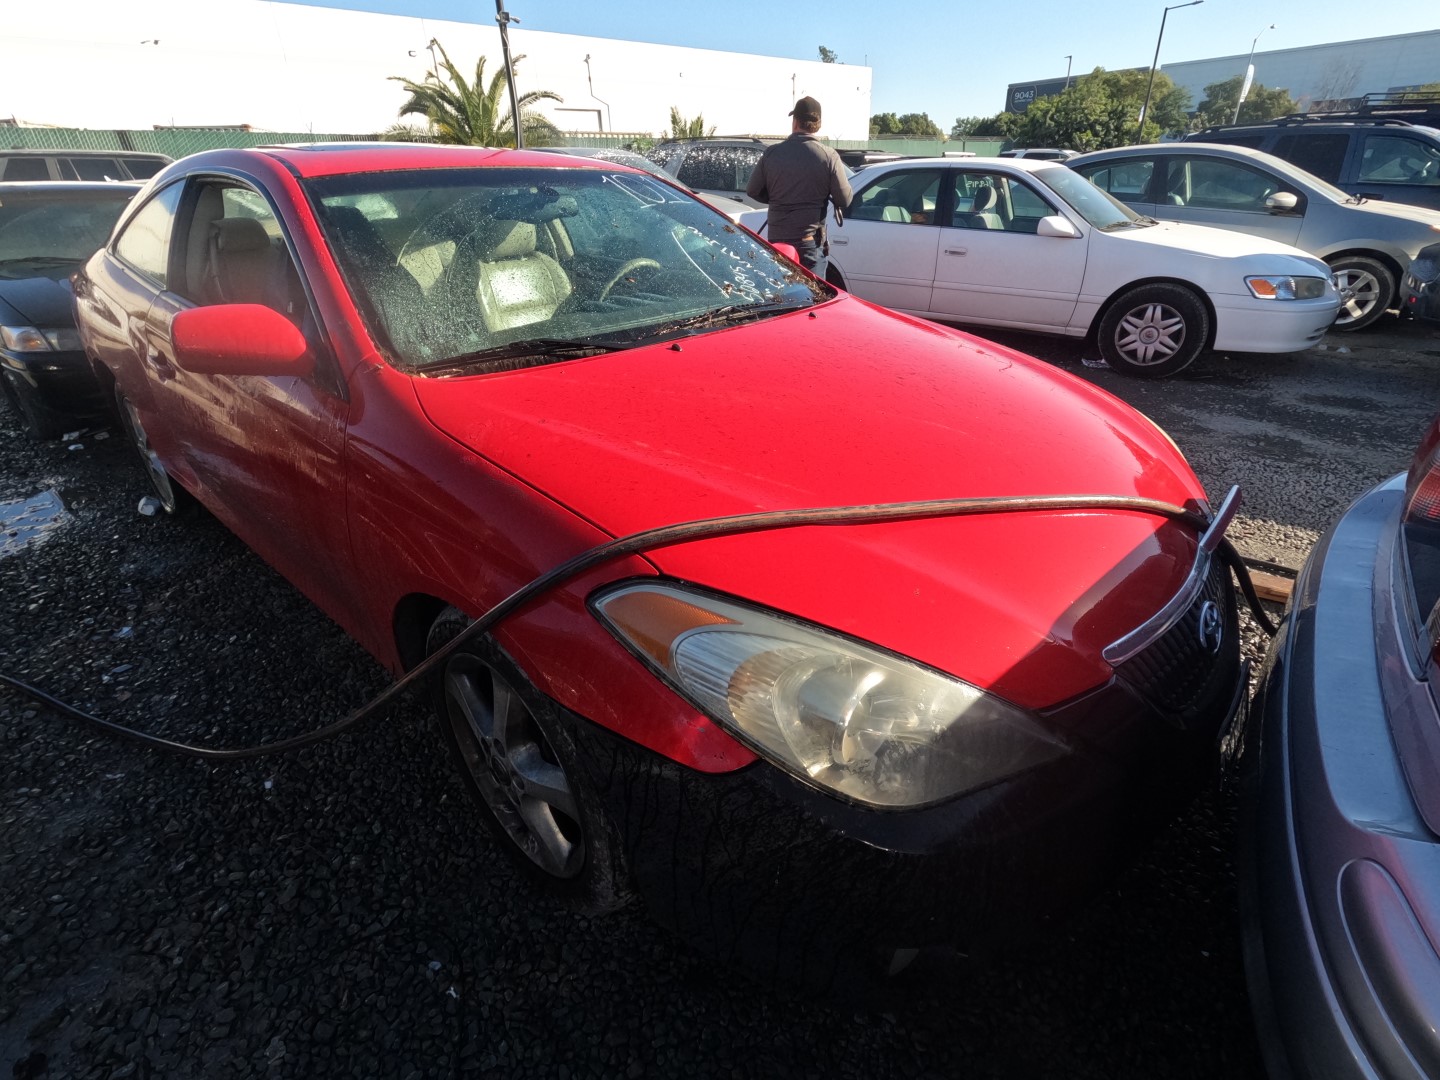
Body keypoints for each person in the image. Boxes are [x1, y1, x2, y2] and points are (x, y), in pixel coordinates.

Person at [745, 96, 851, 277]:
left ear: (795, 123)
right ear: (818, 124)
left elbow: (753, 190)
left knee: (780, 296)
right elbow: (844, 199)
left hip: (778, 240)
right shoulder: (828, 156)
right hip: (809, 243)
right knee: (812, 299)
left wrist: (777, 197)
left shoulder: (772, 153)